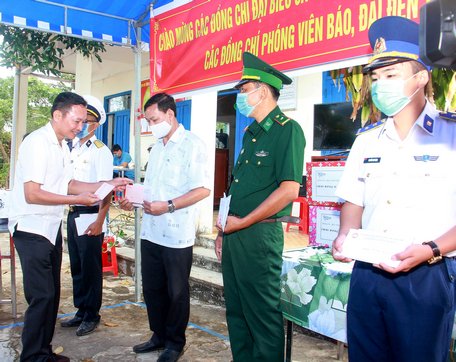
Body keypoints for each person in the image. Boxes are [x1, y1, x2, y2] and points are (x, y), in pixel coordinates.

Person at [332, 16, 456, 362]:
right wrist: (345, 236)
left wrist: (431, 249)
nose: (379, 85)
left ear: (420, 78)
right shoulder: (366, 141)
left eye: (391, 75)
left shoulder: (451, 135)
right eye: (375, 77)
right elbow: (353, 202)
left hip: (427, 273)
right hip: (368, 274)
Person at [8, 92, 130, 362]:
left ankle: (44, 351)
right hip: (32, 228)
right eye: (76, 121)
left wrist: (107, 185)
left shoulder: (62, 145)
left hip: (50, 228)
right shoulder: (38, 144)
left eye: (83, 121)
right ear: (57, 115)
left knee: (51, 296)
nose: (79, 126)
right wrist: (76, 200)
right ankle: (33, 356)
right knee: (42, 297)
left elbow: (70, 183)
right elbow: (33, 194)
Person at [215, 52, 305, 361]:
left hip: (259, 236)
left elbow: (289, 189)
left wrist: (244, 222)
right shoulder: (249, 134)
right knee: (237, 311)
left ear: (262, 91)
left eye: (244, 89)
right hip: (235, 234)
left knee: (262, 315)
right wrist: (222, 231)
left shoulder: (287, 130)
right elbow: (236, 187)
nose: (240, 96)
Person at [119, 92, 210, 362]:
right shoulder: (157, 146)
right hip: (151, 231)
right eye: (147, 120)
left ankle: (174, 342)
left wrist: (168, 205)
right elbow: (152, 188)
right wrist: (134, 201)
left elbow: (203, 189)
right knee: (153, 288)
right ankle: (158, 335)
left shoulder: (193, 145)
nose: (150, 125)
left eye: (154, 119)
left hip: (176, 233)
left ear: (170, 114)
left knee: (177, 291)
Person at [60, 95, 113, 336]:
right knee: (78, 266)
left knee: (91, 267)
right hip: (73, 213)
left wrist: (100, 220)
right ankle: (81, 309)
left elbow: (106, 189)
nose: (82, 126)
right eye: (81, 120)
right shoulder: (73, 147)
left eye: (88, 121)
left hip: (91, 215)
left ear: (96, 123)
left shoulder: (100, 152)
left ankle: (92, 314)